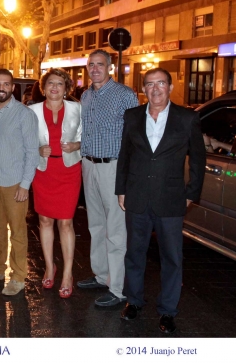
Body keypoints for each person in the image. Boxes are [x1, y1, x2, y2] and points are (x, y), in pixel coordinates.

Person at [116, 68, 205, 333]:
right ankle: (133, 301)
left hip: (171, 198)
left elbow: (198, 159)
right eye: (150, 84)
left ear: (170, 86)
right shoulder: (133, 116)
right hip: (137, 196)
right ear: (143, 89)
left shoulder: (187, 118)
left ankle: (167, 311)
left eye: (161, 83)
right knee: (134, 253)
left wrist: (191, 193)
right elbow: (125, 154)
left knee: (172, 258)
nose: (155, 89)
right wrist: (121, 189)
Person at [77, 49, 139, 306]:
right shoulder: (86, 96)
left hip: (113, 167)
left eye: (100, 65)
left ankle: (117, 288)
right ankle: (101, 275)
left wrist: (128, 174)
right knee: (96, 225)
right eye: (91, 65)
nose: (95, 69)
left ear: (110, 67)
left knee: (115, 229)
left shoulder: (125, 95)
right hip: (89, 165)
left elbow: (135, 136)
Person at [0, 69, 39, 296]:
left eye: (6, 84)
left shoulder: (24, 114)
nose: (1, 87)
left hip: (15, 183)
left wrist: (25, 184)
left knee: (17, 231)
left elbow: (32, 151)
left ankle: (18, 276)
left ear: (12, 88)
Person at [29, 68, 82, 298]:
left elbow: (86, 135)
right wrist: (37, 149)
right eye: (50, 83)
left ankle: (68, 273)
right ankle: (50, 267)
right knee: (45, 220)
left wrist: (77, 146)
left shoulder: (77, 108)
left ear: (66, 88)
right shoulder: (31, 111)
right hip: (43, 170)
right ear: (43, 86)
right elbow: (23, 140)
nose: (54, 87)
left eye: (59, 84)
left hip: (68, 169)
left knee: (66, 222)